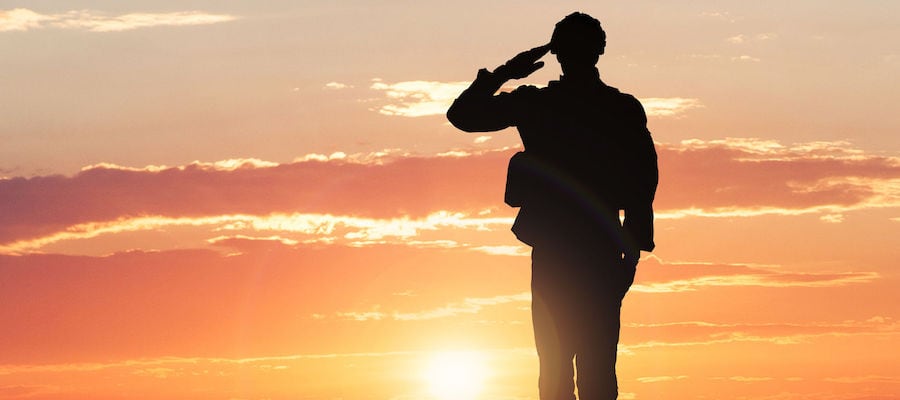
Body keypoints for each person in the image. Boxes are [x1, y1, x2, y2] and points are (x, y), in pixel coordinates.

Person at [446, 12, 658, 400]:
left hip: (565, 249)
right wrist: (633, 247)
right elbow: (644, 182)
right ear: (601, 51)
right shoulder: (619, 108)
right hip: (595, 248)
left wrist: (506, 72)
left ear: (557, 53)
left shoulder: (540, 104)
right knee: (592, 372)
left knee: (560, 372)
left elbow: (463, 114)